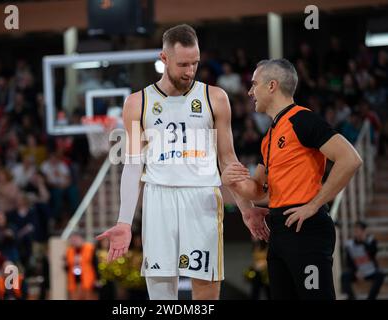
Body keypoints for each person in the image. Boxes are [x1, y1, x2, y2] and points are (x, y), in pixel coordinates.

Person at [96, 24, 266, 300]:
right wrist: (124, 221)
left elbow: (228, 160)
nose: (190, 71)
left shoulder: (215, 98)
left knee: (206, 290)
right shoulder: (137, 103)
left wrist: (246, 208)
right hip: (158, 199)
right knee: (162, 294)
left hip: (202, 199)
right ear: (164, 59)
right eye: (183, 64)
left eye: (195, 63)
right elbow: (133, 164)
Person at [222, 58, 362, 299]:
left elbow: (350, 159)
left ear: (272, 86)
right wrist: (230, 180)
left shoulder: (303, 119)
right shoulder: (269, 136)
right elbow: (257, 189)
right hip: (278, 230)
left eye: (254, 84)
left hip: (306, 228)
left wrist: (314, 205)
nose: (249, 91)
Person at [341, 221, 386, 300]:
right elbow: (348, 262)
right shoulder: (350, 244)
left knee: (381, 275)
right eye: (355, 231)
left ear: (364, 231)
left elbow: (373, 253)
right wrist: (356, 271)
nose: (357, 233)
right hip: (358, 272)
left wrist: (364, 241)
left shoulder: (371, 241)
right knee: (344, 276)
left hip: (371, 271)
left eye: (359, 231)